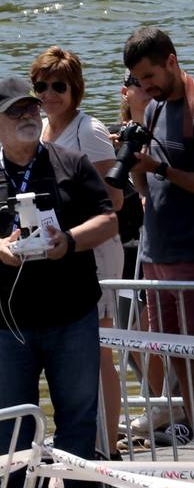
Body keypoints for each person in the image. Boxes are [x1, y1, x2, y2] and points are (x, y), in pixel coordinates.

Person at [0, 77, 119, 488]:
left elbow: (109, 219)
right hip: (8, 324)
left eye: (32, 109)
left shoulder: (70, 162)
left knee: (76, 412)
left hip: (71, 315)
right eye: (16, 112)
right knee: (12, 417)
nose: (29, 116)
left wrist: (68, 242)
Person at [123, 26, 194, 461]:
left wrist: (161, 168)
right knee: (179, 359)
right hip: (157, 254)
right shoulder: (152, 111)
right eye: (137, 79)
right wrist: (135, 165)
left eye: (149, 76)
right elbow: (145, 187)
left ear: (172, 60)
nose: (144, 86)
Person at [30, 47, 125, 453]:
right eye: (40, 86)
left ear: (75, 89)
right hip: (59, 254)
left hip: (96, 248)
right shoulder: (38, 131)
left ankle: (106, 441)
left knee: (99, 349)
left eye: (58, 86)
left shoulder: (88, 130)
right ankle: (83, 437)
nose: (49, 94)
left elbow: (114, 200)